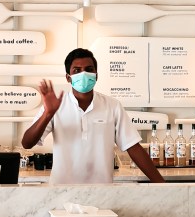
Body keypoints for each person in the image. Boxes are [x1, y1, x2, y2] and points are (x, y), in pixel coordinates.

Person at [21, 48, 164, 185]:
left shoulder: (112, 105)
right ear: (68, 77)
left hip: (101, 191)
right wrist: (48, 114)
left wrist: (163, 186)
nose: (83, 74)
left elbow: (133, 147)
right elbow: (27, 143)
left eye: (89, 69)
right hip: (61, 191)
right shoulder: (55, 106)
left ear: (96, 75)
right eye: (77, 70)